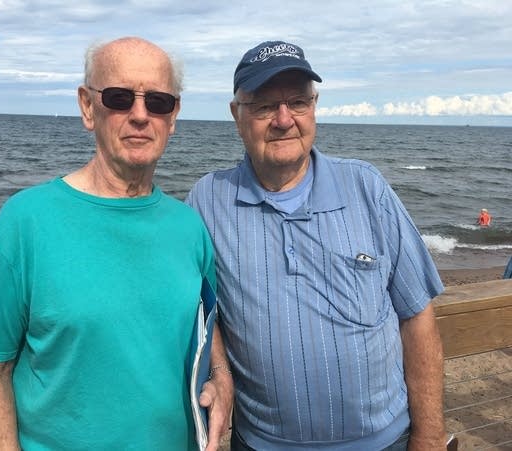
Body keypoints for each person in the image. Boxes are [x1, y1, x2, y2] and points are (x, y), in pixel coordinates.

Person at [0, 37, 232, 451]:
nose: (140, 115)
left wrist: (222, 375)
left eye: (158, 102)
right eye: (120, 98)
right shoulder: (25, 221)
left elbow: (206, 320)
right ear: (87, 107)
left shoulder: (189, 227)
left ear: (173, 117)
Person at [187, 41, 447, 450]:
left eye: (297, 102)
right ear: (237, 115)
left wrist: (429, 437)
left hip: (387, 441)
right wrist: (219, 369)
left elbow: (416, 314)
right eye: (264, 106)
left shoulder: (367, 187)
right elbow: (201, 310)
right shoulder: (208, 199)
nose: (284, 119)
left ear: (315, 107)